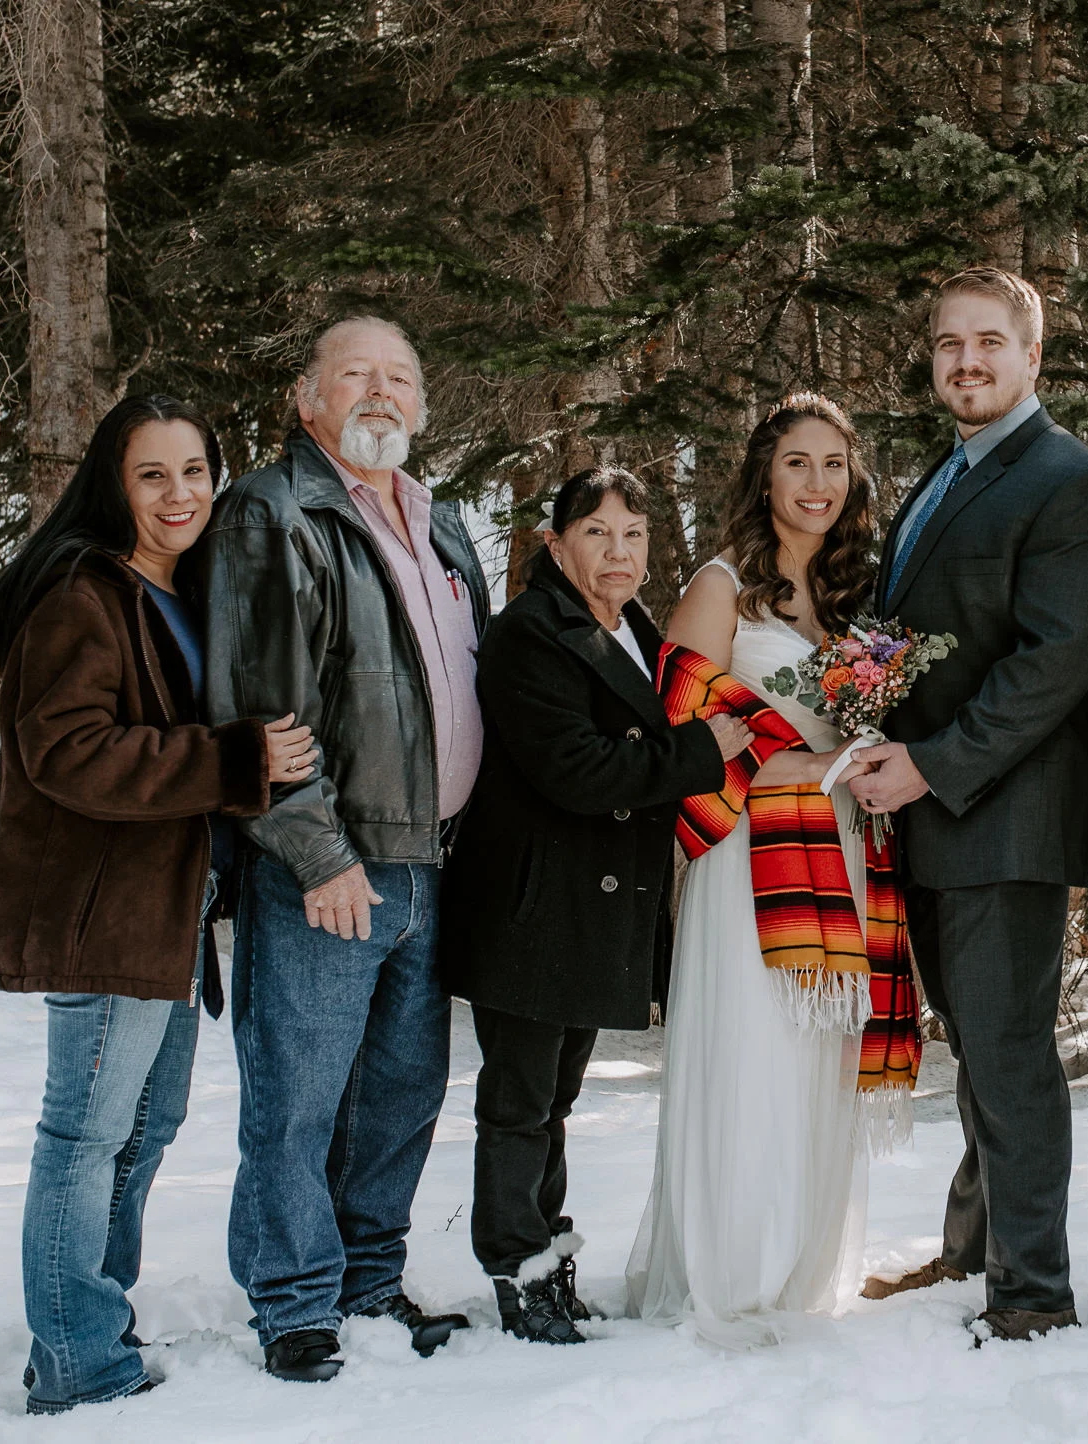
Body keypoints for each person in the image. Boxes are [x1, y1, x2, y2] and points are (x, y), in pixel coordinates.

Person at [0, 395, 314, 1414]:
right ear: (112, 485)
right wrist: (234, 759)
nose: (180, 496)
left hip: (164, 911)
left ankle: (87, 1326)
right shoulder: (82, 594)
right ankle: (79, 1358)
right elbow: (69, 752)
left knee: (143, 1127)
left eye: (195, 472)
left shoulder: (174, 589)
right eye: (153, 475)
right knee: (84, 1135)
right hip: (101, 909)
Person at [849, 268, 1088, 1343]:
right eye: (945, 345)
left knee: (1010, 1052)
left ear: (1031, 357)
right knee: (977, 1044)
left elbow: (1050, 666)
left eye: (985, 344)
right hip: (936, 814)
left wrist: (927, 765)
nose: (963, 361)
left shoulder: (1069, 482)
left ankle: (1031, 1292)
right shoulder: (950, 469)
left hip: (1003, 817)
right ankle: (975, 1249)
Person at [205, 316, 489, 1382]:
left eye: (401, 377)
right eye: (355, 374)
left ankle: (370, 1278)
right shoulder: (274, 513)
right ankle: (293, 1302)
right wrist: (315, 852)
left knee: (401, 1092)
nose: (382, 392)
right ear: (305, 398)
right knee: (299, 1092)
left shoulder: (442, 523)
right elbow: (261, 703)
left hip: (428, 858)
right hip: (328, 866)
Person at [627, 393, 912, 1347]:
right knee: (752, 1046)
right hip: (751, 849)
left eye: (835, 465)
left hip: (838, 840)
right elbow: (682, 735)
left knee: (817, 1059)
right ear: (763, 473)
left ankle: (799, 1266)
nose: (818, 484)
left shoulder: (851, 602)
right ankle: (726, 1267)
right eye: (798, 463)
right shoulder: (722, 589)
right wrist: (796, 764)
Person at [441, 467, 744, 1345]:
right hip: (532, 907)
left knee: (555, 1097)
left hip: (591, 909)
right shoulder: (529, 634)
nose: (620, 553)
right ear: (556, 543)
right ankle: (516, 1269)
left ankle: (547, 1261)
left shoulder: (634, 626)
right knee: (519, 1099)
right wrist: (698, 754)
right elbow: (577, 770)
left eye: (635, 536)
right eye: (599, 534)